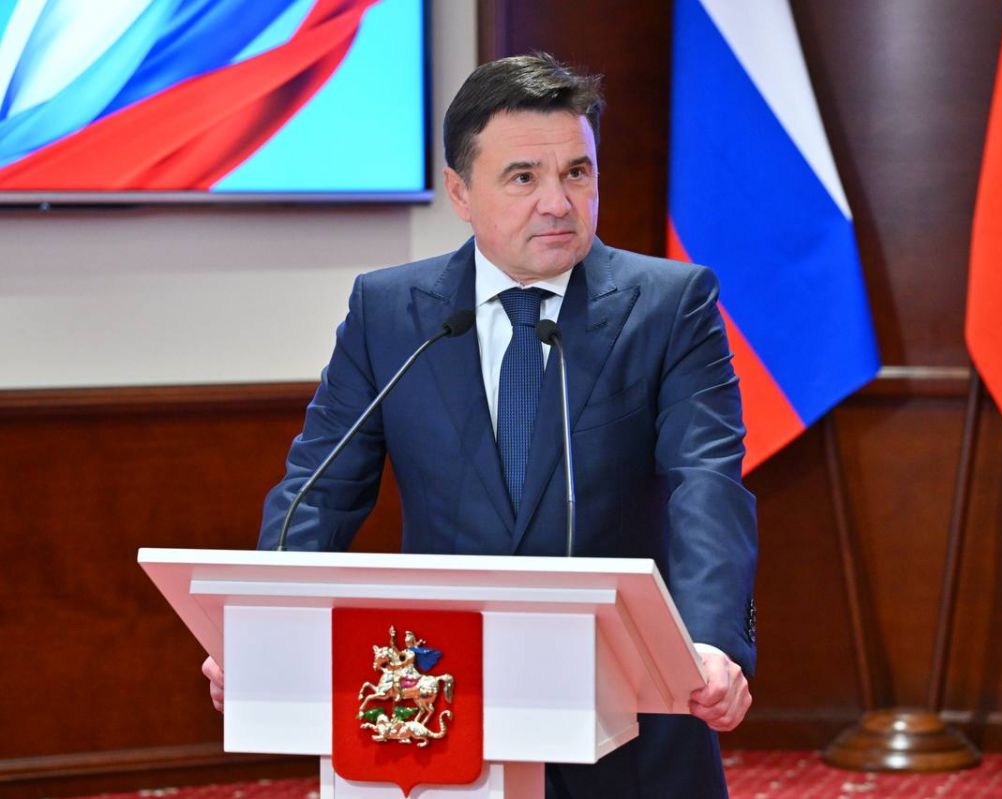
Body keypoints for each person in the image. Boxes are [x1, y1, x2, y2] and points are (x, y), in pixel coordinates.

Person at [202, 53, 757, 798]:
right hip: (442, 707)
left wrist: (710, 640)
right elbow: (319, 491)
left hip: (632, 706)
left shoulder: (671, 304)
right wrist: (259, 626)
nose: (558, 202)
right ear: (461, 192)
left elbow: (706, 483)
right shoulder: (391, 312)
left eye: (577, 173)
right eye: (523, 177)